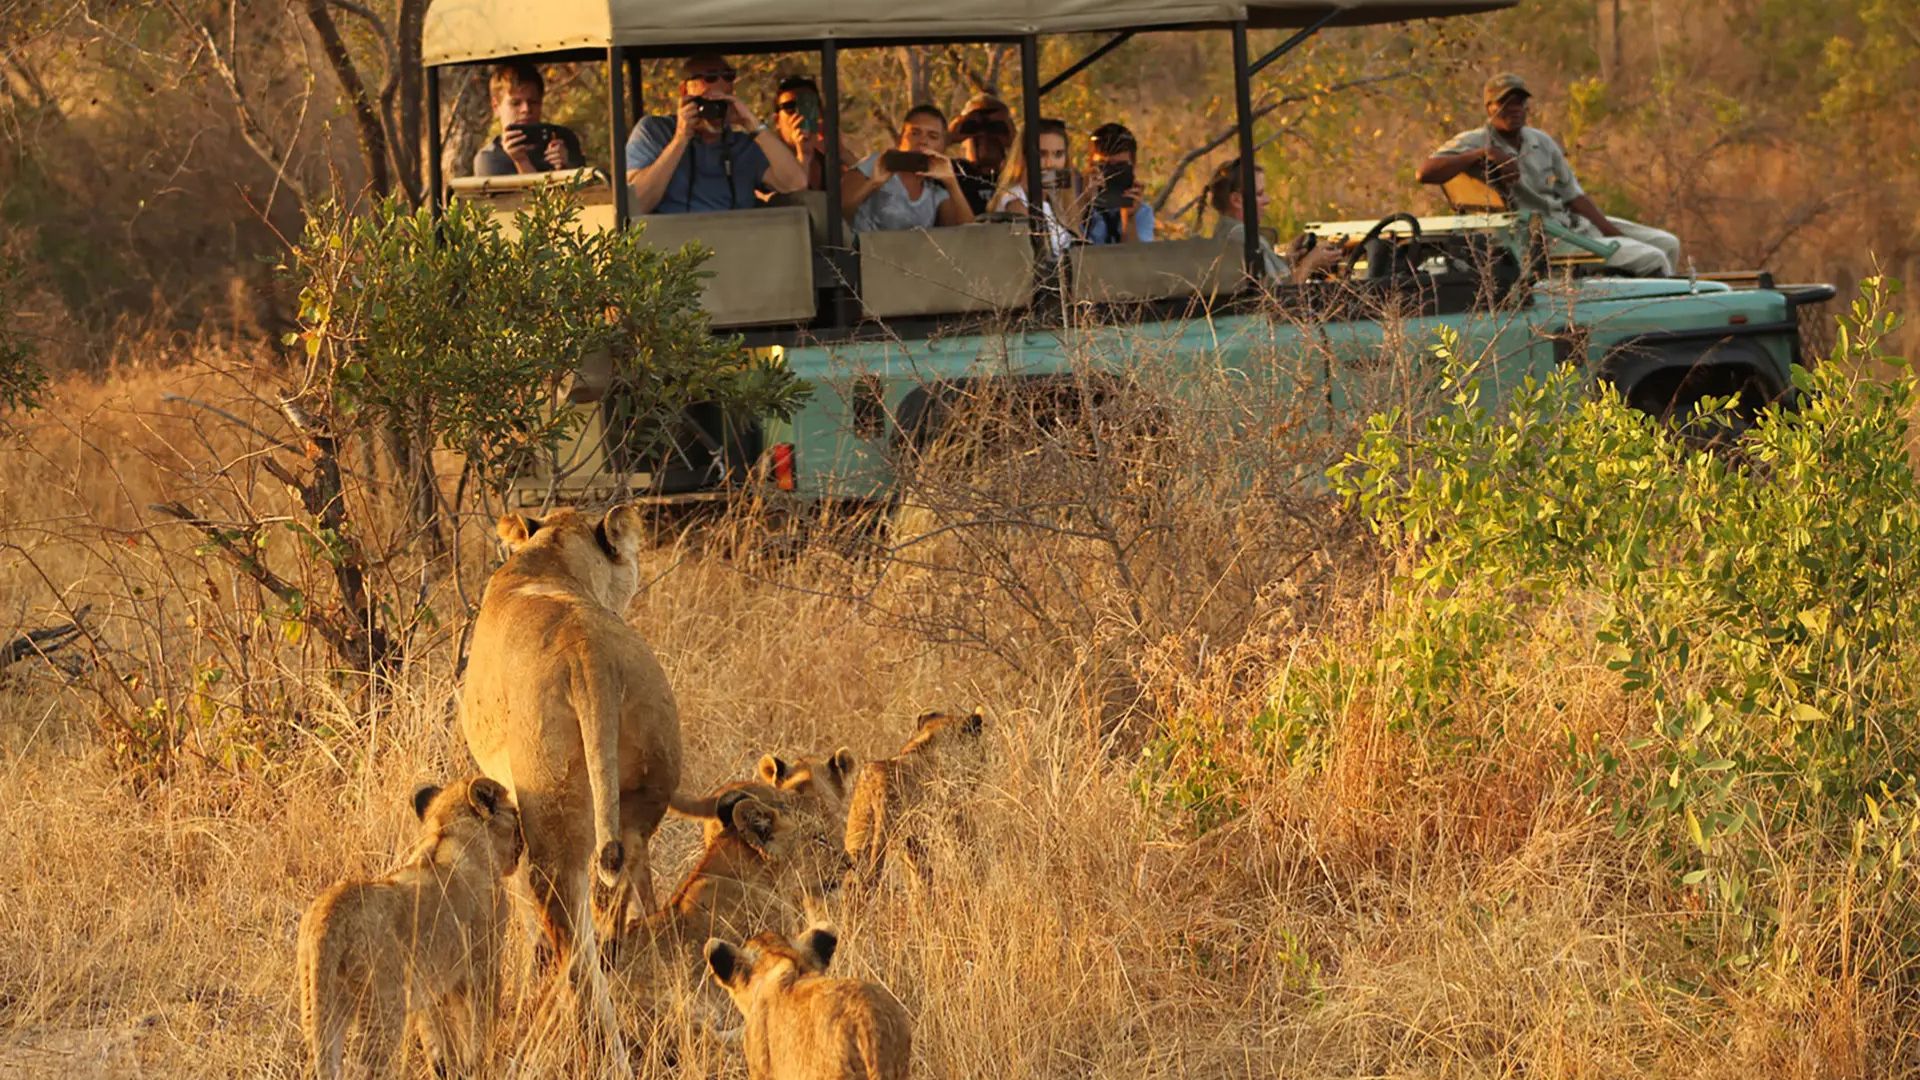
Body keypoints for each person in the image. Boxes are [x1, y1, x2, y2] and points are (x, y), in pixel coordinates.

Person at [1416, 73, 1680, 277]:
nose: (1513, 108)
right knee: (1653, 259)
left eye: (1519, 101)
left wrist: (1609, 232)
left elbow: (1574, 196)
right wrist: (1483, 154)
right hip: (1540, 237)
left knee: (1668, 244)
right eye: (1504, 102)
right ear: (1489, 107)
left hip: (1570, 223)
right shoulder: (1474, 141)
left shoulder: (1540, 141)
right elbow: (1425, 172)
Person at [625, 54, 808, 214]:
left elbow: (796, 184)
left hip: (739, 245)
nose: (714, 110)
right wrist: (680, 139)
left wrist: (753, 126)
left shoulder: (743, 145)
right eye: (709, 77)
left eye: (728, 76)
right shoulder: (654, 132)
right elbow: (637, 204)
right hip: (674, 247)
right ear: (684, 90)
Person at [1208, 158, 1344, 284]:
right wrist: (1310, 264)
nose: (1267, 200)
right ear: (1237, 200)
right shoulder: (1243, 239)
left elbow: (1269, 277)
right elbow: (1279, 297)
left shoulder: (1226, 233)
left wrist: (1290, 260)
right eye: (1259, 194)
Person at [991, 119, 1088, 255]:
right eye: (1042, 154)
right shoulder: (1014, 200)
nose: (1050, 163)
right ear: (1024, 157)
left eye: (1058, 154)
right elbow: (1036, 255)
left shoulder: (1055, 198)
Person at [471, 62, 585, 177]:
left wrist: (566, 168)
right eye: (515, 103)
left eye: (533, 102)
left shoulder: (563, 138)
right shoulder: (490, 158)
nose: (526, 109)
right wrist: (521, 161)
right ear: (496, 107)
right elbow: (531, 195)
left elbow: (587, 191)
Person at [772, 74, 855, 192]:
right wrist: (803, 158)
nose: (798, 114)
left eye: (808, 106)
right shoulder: (769, 162)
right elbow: (789, 203)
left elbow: (872, 189)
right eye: (789, 107)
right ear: (777, 121)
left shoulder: (830, 164)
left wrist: (842, 152)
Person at [1084, 123, 1154, 245]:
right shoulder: (1074, 205)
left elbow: (1136, 260)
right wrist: (1084, 206)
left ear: (1133, 166)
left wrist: (1129, 219)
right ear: (1090, 165)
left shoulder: (1141, 211)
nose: (1111, 174)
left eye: (1120, 167)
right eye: (1103, 166)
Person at [947, 93, 1015, 215]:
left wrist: (1017, 142)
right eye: (973, 127)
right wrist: (947, 138)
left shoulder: (1016, 175)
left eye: (996, 127)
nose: (984, 134)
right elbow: (915, 167)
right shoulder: (951, 171)